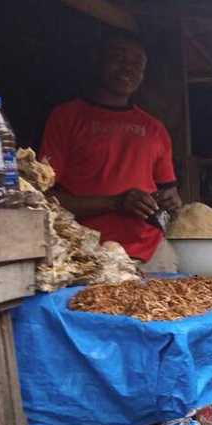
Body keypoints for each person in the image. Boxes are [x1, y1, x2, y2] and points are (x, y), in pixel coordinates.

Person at [41, 31, 182, 272]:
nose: (128, 68)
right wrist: (116, 202)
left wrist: (171, 201)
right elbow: (45, 198)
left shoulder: (154, 128)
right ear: (99, 61)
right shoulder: (66, 118)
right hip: (85, 255)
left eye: (137, 63)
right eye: (119, 58)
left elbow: (171, 195)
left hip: (152, 254)